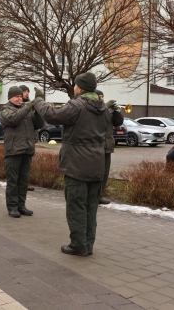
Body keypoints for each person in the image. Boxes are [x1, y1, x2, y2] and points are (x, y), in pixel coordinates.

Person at [32, 72, 108, 257]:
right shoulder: (103, 107)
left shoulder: (77, 105)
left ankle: (78, 245)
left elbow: (52, 116)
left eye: (75, 85)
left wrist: (39, 101)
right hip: (97, 163)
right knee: (91, 207)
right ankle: (88, 245)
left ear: (80, 87)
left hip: (76, 163)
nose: (73, 87)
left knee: (75, 205)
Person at [0, 86, 44, 218]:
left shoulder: (27, 110)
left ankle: (21, 205)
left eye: (21, 96)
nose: (20, 98)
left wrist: (37, 110)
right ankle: (12, 207)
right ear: (10, 97)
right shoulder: (5, 110)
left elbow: (39, 124)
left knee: (23, 181)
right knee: (13, 180)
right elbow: (13, 119)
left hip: (27, 149)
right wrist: (28, 107)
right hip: (13, 151)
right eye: (17, 96)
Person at [95, 89, 124, 205]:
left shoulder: (108, 110)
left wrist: (116, 111)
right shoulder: (96, 110)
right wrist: (106, 107)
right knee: (96, 173)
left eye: (102, 96)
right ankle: (93, 196)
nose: (101, 98)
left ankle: (99, 196)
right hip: (97, 146)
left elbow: (118, 122)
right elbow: (98, 118)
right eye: (99, 97)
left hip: (107, 146)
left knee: (104, 173)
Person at [20, 85, 37, 193]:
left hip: (30, 140)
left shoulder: (31, 105)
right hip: (20, 141)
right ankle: (21, 184)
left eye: (28, 91)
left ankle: (25, 183)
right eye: (24, 91)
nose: (27, 93)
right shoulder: (18, 105)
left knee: (27, 166)